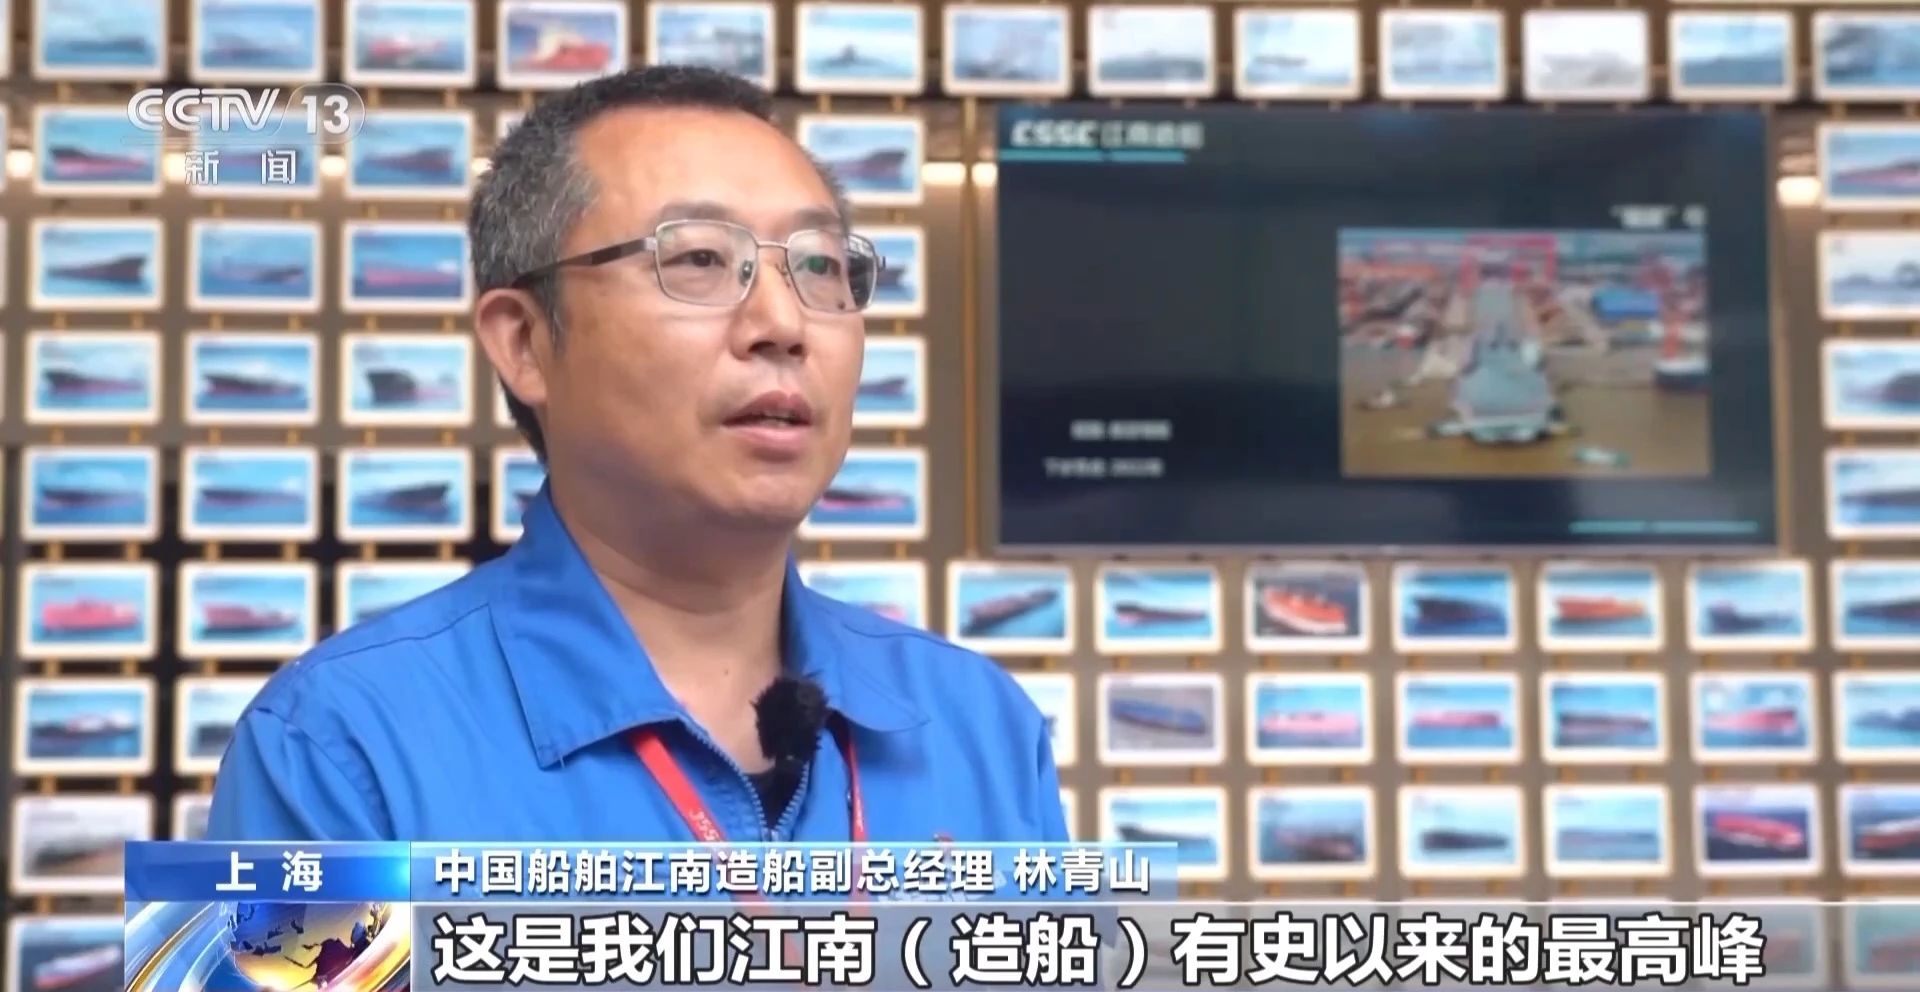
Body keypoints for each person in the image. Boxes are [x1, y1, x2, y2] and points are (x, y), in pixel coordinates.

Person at [206, 66, 1069, 845]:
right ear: (526, 342)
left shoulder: (979, 730)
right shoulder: (339, 748)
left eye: (818, 266)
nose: (782, 324)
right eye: (698, 259)